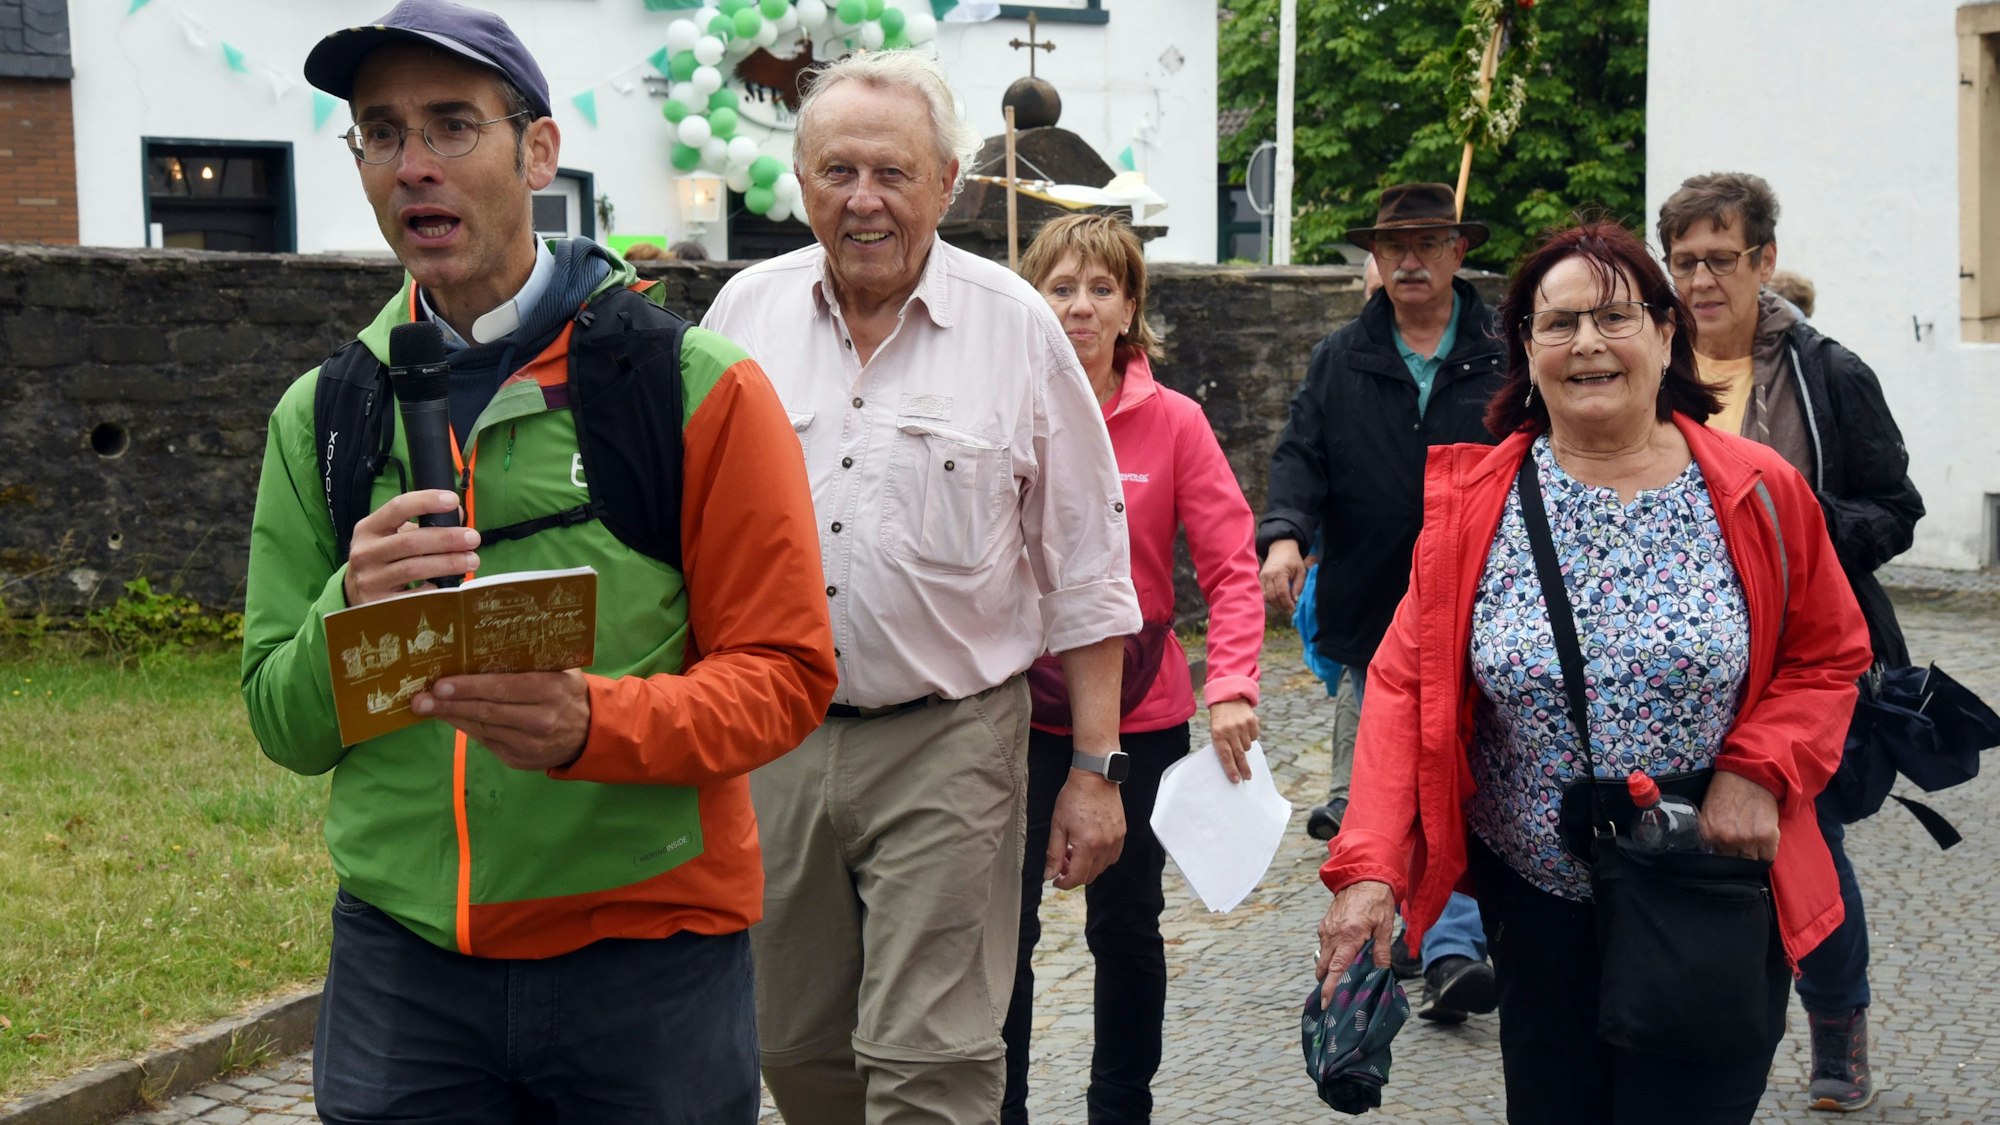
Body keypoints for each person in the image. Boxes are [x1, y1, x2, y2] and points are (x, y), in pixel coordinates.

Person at [241, 3, 837, 1121]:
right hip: (404, 963)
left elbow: (785, 677)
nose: (413, 165)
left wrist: (588, 729)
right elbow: (282, 722)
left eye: (453, 125)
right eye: (380, 132)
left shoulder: (695, 387)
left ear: (539, 149)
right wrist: (346, 610)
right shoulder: (321, 415)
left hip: (647, 960)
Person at [1314, 219, 1873, 1124]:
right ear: (1525, 348)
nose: (1586, 345)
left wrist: (1758, 770)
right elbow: (1402, 688)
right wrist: (1370, 870)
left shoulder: (1759, 490)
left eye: (1614, 318)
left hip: (1707, 887)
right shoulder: (1474, 506)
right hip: (1537, 902)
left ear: (1663, 332)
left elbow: (1829, 653)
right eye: (1558, 323)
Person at [701, 52, 1141, 1124]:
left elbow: (1084, 558)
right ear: (799, 184)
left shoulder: (1015, 327)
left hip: (949, 741)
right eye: (837, 170)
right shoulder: (737, 320)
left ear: (946, 184)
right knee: (791, 1044)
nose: (864, 199)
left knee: (931, 1062)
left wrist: (1093, 769)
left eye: (892, 172)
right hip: (773, 737)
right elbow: (684, 535)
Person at [1658, 172, 1924, 1113]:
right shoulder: (1652, 363)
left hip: (1799, 663)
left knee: (1812, 849)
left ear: (1764, 260)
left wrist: (1800, 527)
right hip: (1679, 659)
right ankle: (1679, 1022)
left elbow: (1896, 510)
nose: (1699, 280)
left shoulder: (1825, 372)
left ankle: (1837, 1016)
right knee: (1676, 848)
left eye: (1720, 259)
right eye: (1683, 260)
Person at [1000, 214, 1264, 1124]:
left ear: (1130, 309)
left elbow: (1232, 567)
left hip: (1142, 712)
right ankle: (1002, 1107)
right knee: (1005, 932)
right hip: (1015, 711)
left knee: (1125, 925)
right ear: (1029, 301)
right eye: (1059, 287)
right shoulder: (1000, 408)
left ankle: (1122, 1108)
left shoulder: (1176, 422)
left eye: (1100, 290)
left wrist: (1232, 681)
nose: (1078, 307)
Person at [1260, 181, 1502, 1022]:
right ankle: (1412, 940)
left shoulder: (1505, 353)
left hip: (1479, 606)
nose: (1408, 259)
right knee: (1387, 784)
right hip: (1376, 609)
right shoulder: (1342, 356)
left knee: (1463, 779)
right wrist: (1286, 533)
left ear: (1456, 253)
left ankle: (1451, 944)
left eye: (1428, 243)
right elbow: (1301, 454)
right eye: (1393, 246)